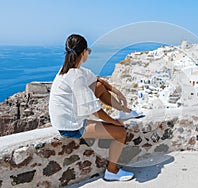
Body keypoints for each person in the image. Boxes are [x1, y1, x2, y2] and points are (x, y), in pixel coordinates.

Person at [49, 34, 138, 181]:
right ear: (84, 52)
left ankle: (124, 112)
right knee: (120, 132)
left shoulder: (70, 70)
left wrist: (116, 91)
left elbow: (97, 81)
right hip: (71, 126)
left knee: (98, 87)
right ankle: (112, 171)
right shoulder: (76, 76)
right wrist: (114, 122)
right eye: (88, 51)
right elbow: (94, 110)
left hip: (67, 119)